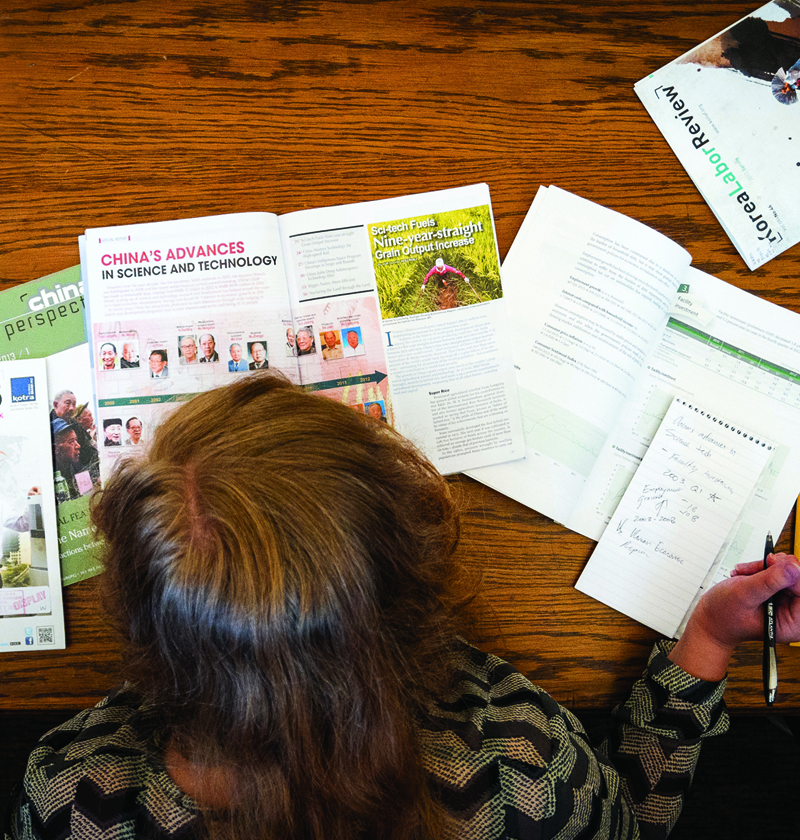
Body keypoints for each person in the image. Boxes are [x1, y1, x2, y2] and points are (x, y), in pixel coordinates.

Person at [10, 373, 800, 840]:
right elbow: (632, 823)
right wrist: (704, 640)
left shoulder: (70, 798)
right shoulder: (526, 771)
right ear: (405, 590)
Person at [51, 418, 84, 499]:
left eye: (76, 440)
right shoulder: (51, 477)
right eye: (71, 442)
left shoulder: (76, 466)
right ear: (55, 448)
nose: (78, 446)